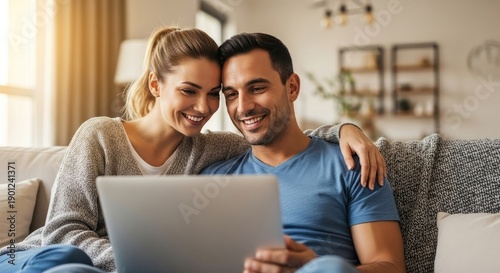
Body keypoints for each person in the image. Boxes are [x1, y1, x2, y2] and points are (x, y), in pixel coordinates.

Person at [0, 27, 385, 273]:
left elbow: (277, 136)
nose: (206, 108)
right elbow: (63, 230)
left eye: (214, 94)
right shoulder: (102, 136)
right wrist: (149, 263)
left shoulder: (210, 151)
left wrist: (346, 128)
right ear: (155, 85)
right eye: (190, 91)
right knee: (71, 266)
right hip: (45, 257)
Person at [200, 32, 406, 273]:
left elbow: (390, 267)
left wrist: (314, 268)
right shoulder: (211, 182)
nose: (243, 107)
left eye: (256, 88)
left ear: (292, 88)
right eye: (232, 94)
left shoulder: (351, 164)